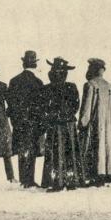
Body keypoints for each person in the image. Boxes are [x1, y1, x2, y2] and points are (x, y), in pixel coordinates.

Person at [40, 58, 84, 191]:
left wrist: (52, 116)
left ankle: (56, 181)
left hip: (55, 124)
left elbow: (44, 107)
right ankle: (71, 181)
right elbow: (75, 106)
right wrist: (66, 115)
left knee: (56, 152)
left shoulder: (48, 88)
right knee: (69, 151)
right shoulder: (71, 86)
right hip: (67, 123)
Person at [78, 58, 111, 185]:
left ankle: (95, 174)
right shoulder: (110, 87)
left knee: (95, 145)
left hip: (95, 121)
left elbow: (87, 107)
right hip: (109, 123)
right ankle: (107, 172)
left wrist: (83, 122)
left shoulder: (90, 85)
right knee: (107, 145)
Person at [7, 51, 44, 187]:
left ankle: (23, 179)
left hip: (19, 122)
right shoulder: (38, 82)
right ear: (34, 65)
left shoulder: (14, 81)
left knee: (22, 150)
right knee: (32, 151)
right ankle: (30, 179)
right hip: (33, 122)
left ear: (23, 64)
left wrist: (14, 120)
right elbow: (41, 105)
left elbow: (10, 102)